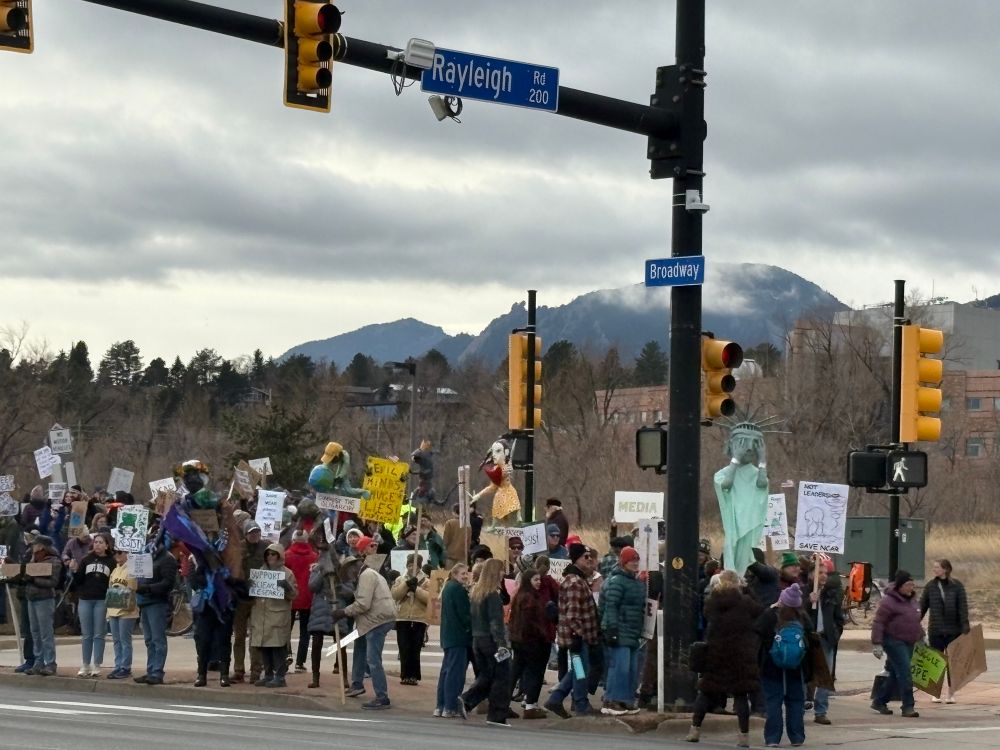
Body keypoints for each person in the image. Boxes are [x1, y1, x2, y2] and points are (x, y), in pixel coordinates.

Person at [686, 569, 763, 747]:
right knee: (740, 694)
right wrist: (747, 589)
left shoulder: (713, 601)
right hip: (739, 654)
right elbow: (760, 610)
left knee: (706, 692)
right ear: (738, 583)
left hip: (716, 652)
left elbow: (706, 615)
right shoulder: (745, 602)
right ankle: (743, 736)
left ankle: (694, 729)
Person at [333, 535, 397, 709]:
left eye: (349, 573)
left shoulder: (367, 576)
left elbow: (363, 603)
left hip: (377, 620)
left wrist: (343, 612)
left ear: (355, 567)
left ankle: (382, 696)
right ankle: (357, 683)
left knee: (373, 659)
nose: (350, 577)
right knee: (361, 649)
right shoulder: (369, 574)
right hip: (374, 619)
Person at [755, 582, 814, 747]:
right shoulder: (803, 618)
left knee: (773, 701)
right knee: (795, 701)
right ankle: (797, 737)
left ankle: (773, 738)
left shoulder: (771, 615)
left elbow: (758, 631)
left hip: (771, 667)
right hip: (797, 668)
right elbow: (811, 639)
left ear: (782, 601)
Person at [544, 543, 599, 718]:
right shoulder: (575, 582)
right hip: (577, 636)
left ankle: (557, 698)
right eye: (586, 557)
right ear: (577, 559)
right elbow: (573, 612)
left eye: (590, 556)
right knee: (580, 670)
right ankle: (580, 703)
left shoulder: (578, 579)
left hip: (580, 635)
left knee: (578, 669)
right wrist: (577, 635)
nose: (589, 560)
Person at [460, 557, 514, 726]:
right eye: (501, 570)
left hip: (478, 640)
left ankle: (467, 700)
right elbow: (495, 623)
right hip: (491, 641)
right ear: (494, 572)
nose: (503, 573)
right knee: (502, 677)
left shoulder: (477, 593)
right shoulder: (491, 595)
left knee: (487, 675)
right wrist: (502, 645)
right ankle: (496, 715)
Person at [600, 546, 646, 715]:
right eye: (631, 560)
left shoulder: (637, 581)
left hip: (632, 631)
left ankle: (625, 699)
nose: (635, 563)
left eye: (636, 560)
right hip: (619, 630)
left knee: (632, 668)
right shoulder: (616, 581)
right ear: (623, 562)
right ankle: (612, 700)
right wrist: (611, 629)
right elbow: (611, 606)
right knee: (620, 667)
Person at [871, 570, 924, 718]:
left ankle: (880, 701)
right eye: (908, 584)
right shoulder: (889, 601)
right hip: (893, 641)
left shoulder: (912, 600)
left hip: (909, 641)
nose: (911, 587)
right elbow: (878, 622)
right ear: (900, 586)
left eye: (912, 584)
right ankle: (908, 706)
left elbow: (914, 620)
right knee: (905, 672)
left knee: (896, 673)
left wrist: (921, 636)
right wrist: (877, 643)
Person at [920, 558, 970, 704]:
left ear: (945, 569)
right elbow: (922, 606)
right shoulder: (930, 586)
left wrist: (964, 626)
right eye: (934, 567)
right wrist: (915, 621)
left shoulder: (957, 586)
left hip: (953, 630)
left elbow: (963, 607)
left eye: (937, 567)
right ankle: (935, 693)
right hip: (935, 629)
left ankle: (951, 693)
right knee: (936, 661)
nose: (934, 569)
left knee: (952, 663)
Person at [249, 543, 298, 688]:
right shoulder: (261, 571)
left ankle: (280, 676)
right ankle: (268, 674)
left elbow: (294, 595)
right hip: (261, 615)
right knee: (265, 648)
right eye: (268, 554)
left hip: (277, 615)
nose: (270, 557)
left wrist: (286, 587)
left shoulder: (287, 573)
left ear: (279, 556)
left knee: (278, 648)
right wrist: (250, 586)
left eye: (273, 554)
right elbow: (253, 594)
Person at [509, 568, 553, 718]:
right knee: (534, 673)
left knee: (516, 671)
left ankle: (503, 703)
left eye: (539, 579)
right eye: (535, 580)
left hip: (519, 640)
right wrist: (543, 634)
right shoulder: (529, 598)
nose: (539, 582)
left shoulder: (520, 595)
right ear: (528, 581)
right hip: (531, 641)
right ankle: (530, 705)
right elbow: (531, 622)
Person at [134, 537, 179, 685]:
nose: (151, 543)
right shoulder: (144, 556)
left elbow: (167, 583)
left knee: (157, 639)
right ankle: (151, 669)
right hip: (144, 602)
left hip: (157, 602)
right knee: (149, 640)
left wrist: (147, 588)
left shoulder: (167, 559)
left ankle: (157, 671)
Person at [71, 531, 114, 677]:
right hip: (85, 599)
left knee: (99, 634)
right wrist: (73, 570)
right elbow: (78, 580)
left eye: (101, 542)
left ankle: (97, 664)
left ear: (107, 545)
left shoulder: (111, 561)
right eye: (96, 542)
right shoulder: (86, 559)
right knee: (86, 634)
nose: (97, 545)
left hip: (102, 599)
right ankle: (85, 664)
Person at [807, 560, 844, 725]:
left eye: (825, 573)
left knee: (825, 676)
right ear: (810, 575)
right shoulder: (803, 591)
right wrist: (809, 601)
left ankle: (821, 711)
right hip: (809, 638)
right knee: (806, 674)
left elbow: (838, 617)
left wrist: (835, 634)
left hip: (826, 638)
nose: (823, 576)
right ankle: (800, 705)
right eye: (819, 573)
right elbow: (796, 611)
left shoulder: (832, 593)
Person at [232, 520, 267, 683]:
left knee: (256, 636)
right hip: (240, 597)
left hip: (257, 598)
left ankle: (256, 670)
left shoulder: (267, 547)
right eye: (251, 532)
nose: (254, 535)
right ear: (245, 534)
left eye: (257, 532)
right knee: (239, 636)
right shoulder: (238, 548)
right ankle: (238, 669)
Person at [22, 534, 63, 676]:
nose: (33, 547)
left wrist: (34, 580)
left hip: (44, 599)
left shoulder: (54, 561)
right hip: (31, 598)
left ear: (42, 547)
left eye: (35, 544)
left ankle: (50, 663)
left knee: (46, 633)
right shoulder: (32, 559)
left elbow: (53, 583)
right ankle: (38, 662)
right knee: (35, 632)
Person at [436, 562, 472, 718]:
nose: (465, 576)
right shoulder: (458, 589)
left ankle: (441, 705)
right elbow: (465, 615)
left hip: (448, 635)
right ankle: (450, 706)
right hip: (458, 636)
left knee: (446, 671)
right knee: (455, 673)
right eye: (462, 573)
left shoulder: (448, 587)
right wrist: (471, 628)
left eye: (466, 573)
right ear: (455, 574)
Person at [391, 552, 430, 685]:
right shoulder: (400, 579)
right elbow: (395, 595)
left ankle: (414, 675)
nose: (411, 567)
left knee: (415, 647)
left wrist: (417, 589)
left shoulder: (426, 581)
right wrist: (406, 584)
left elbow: (429, 599)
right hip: (403, 618)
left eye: (415, 565)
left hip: (419, 619)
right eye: (409, 565)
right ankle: (404, 675)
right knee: (404, 647)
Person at [284, 529, 318, 673]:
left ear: (293, 540)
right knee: (305, 632)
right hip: (308, 597)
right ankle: (300, 662)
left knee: (286, 629)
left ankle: (286, 655)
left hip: (290, 597)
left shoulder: (286, 555)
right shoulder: (314, 556)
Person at [105, 548, 139, 679]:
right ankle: (118, 665)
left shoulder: (132, 568)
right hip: (114, 607)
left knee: (125, 640)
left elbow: (134, 587)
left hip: (127, 609)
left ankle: (125, 667)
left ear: (127, 554)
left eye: (120, 552)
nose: (117, 555)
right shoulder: (114, 570)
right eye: (115, 553)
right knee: (116, 640)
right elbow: (110, 589)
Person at [442, 504, 470, 569]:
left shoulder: (449, 523)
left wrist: (444, 551)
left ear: (454, 512)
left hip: (450, 555)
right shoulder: (468, 525)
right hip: (463, 555)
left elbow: (446, 539)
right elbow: (468, 542)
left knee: (449, 575)